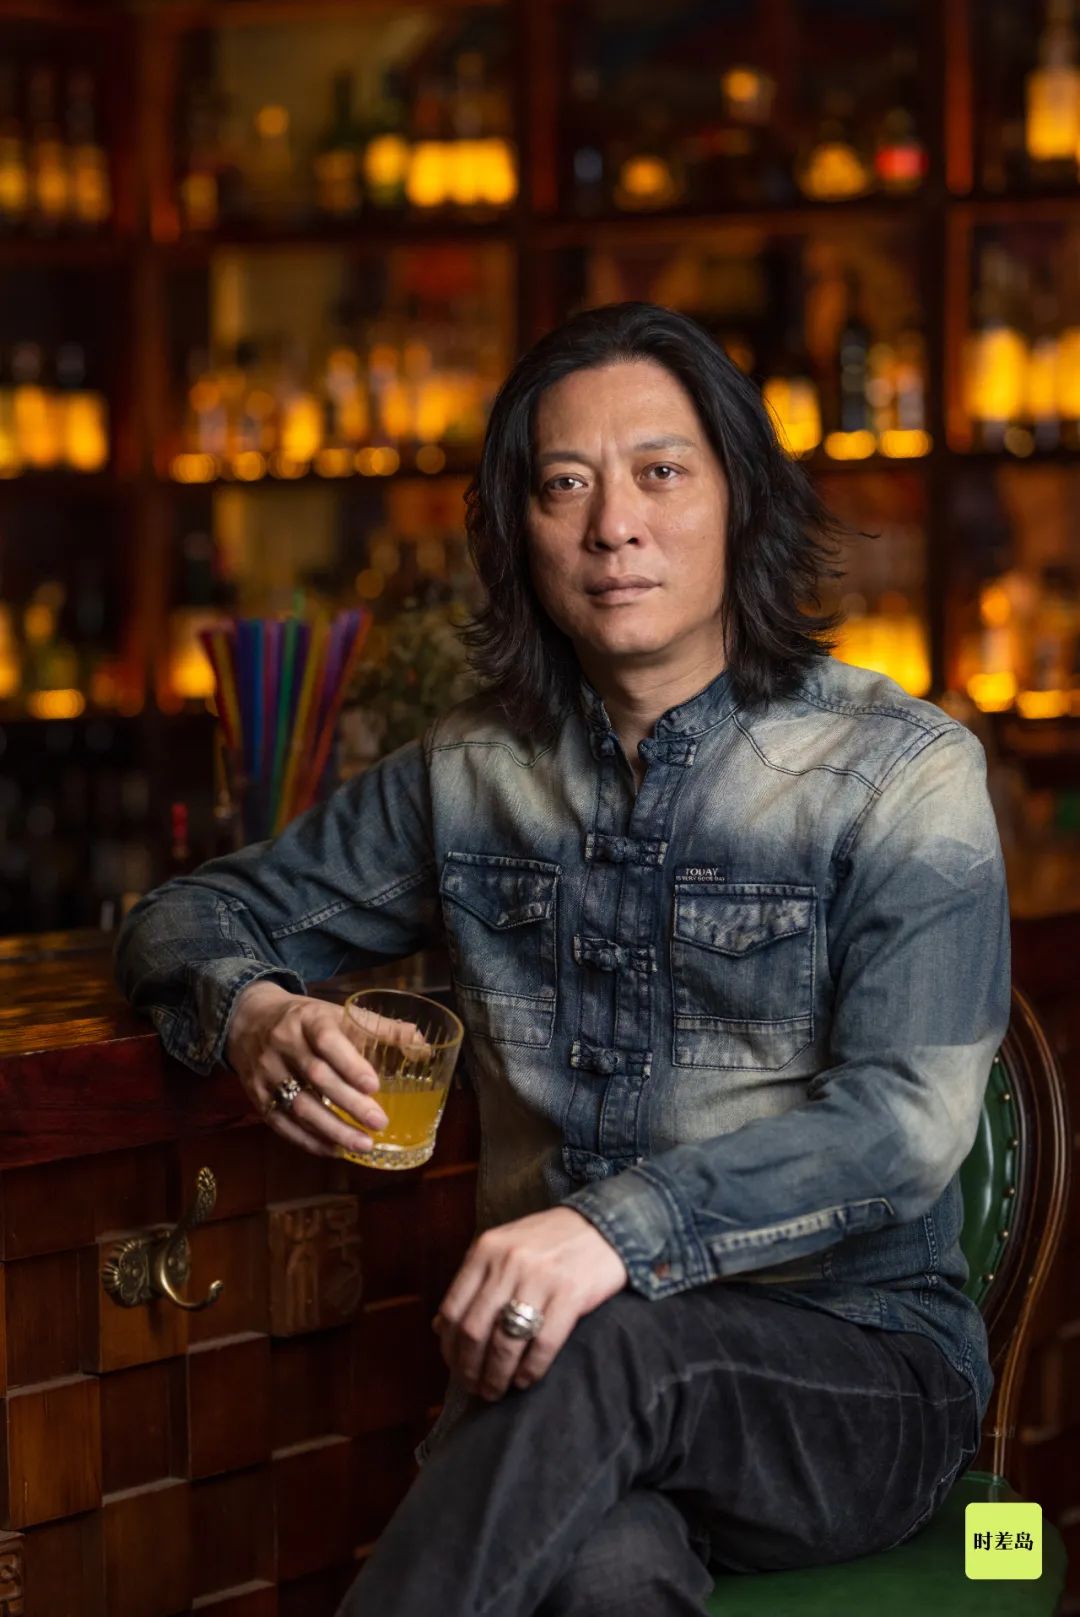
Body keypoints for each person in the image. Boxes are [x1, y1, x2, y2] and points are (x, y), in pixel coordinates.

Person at [116, 301, 1009, 1616]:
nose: (613, 526)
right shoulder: (472, 774)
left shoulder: (901, 772)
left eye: (661, 472)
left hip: (858, 1375)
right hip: (562, 1395)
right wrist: (252, 1013)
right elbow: (179, 916)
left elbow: (906, 1127)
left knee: (615, 1343)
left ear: (741, 500)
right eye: (564, 484)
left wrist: (614, 1230)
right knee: (603, 1571)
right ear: (518, 531)